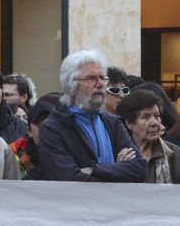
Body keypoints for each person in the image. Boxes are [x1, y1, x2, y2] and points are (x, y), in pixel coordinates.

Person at [37, 50, 146, 183]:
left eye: (103, 78)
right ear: (70, 88)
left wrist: (94, 169)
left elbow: (140, 169)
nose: (100, 84)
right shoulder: (53, 128)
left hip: (115, 203)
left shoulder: (113, 123)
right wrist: (118, 169)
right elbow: (68, 178)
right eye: (92, 78)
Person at [117, 89, 180, 184]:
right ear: (129, 123)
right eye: (145, 117)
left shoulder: (175, 156)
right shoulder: (119, 154)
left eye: (157, 116)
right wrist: (120, 170)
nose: (154, 123)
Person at [9, 100, 55, 180]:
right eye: (39, 124)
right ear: (29, 131)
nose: (44, 128)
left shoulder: (68, 150)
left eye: (49, 123)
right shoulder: (15, 153)